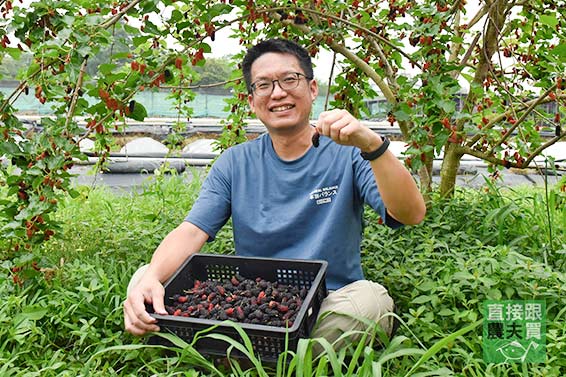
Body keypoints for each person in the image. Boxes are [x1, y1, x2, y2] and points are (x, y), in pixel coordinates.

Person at [123, 38, 426, 346]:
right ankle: (275, 349)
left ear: (312, 89)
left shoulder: (348, 154)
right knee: (145, 277)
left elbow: (410, 213)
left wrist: (373, 146)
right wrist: (151, 278)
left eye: (289, 79)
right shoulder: (235, 162)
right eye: (264, 85)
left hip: (328, 302)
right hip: (253, 301)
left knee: (370, 303)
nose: (278, 92)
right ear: (253, 102)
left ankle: (236, 350)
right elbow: (191, 231)